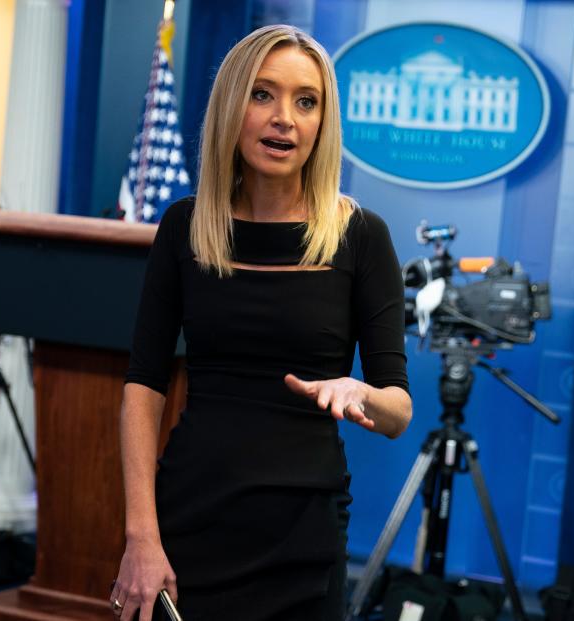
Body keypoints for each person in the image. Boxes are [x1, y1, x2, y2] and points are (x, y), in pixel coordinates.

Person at [110, 24, 412, 621]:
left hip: (303, 530)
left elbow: (398, 412)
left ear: (323, 124)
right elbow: (143, 387)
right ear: (231, 105)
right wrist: (141, 535)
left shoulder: (361, 237)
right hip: (190, 516)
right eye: (263, 94)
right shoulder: (185, 227)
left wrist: (362, 394)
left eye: (306, 101)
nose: (285, 119)